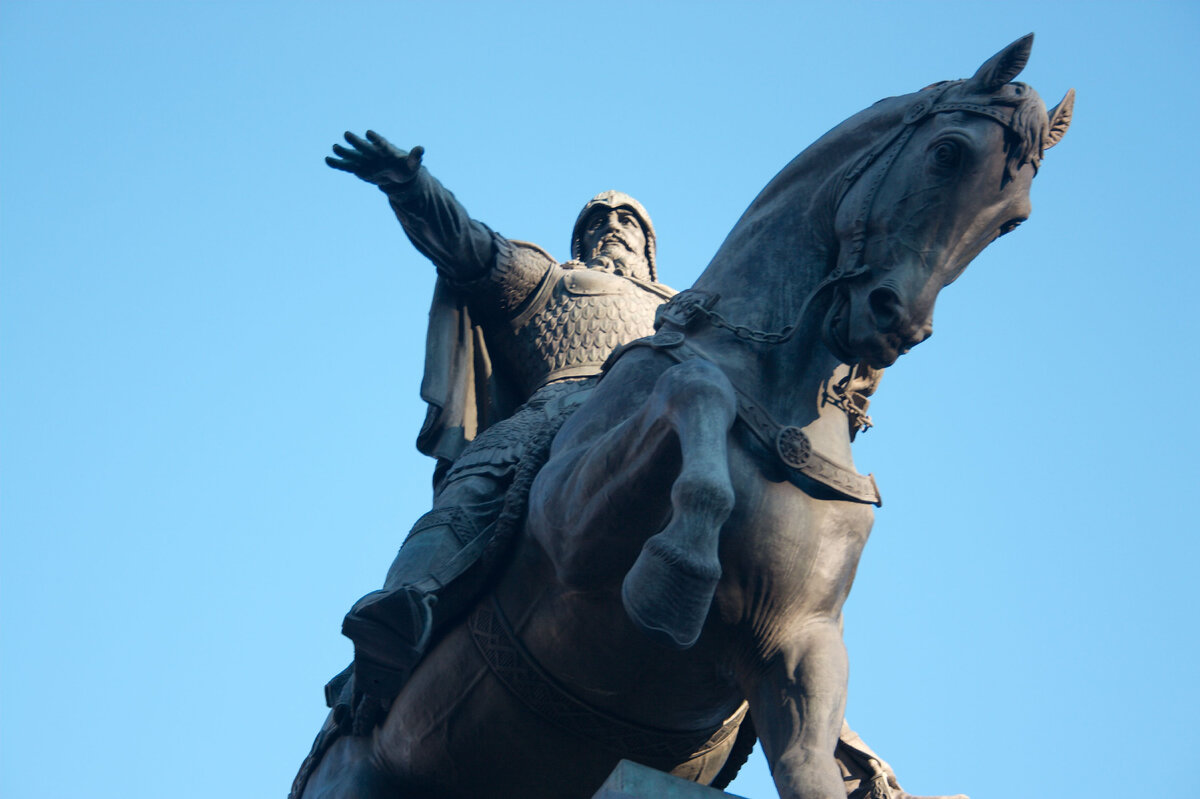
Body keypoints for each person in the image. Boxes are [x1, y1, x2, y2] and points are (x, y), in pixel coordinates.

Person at [323, 131, 675, 728]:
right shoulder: (550, 280)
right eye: (598, 219)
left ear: (648, 244)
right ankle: (404, 611)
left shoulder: (688, 306)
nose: (612, 224)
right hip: (560, 405)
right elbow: (468, 245)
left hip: (668, 410)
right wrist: (411, 188)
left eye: (627, 219)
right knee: (474, 491)